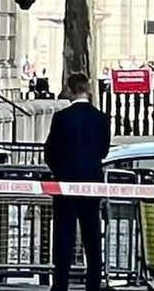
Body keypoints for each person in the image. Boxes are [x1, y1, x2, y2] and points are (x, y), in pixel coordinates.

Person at [45, 73, 111, 291]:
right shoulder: (101, 118)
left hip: (65, 183)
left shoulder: (61, 118)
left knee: (64, 235)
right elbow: (103, 151)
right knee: (92, 234)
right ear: (88, 90)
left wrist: (60, 172)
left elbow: (50, 152)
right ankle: (93, 282)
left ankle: (61, 283)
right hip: (92, 182)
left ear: (70, 90)